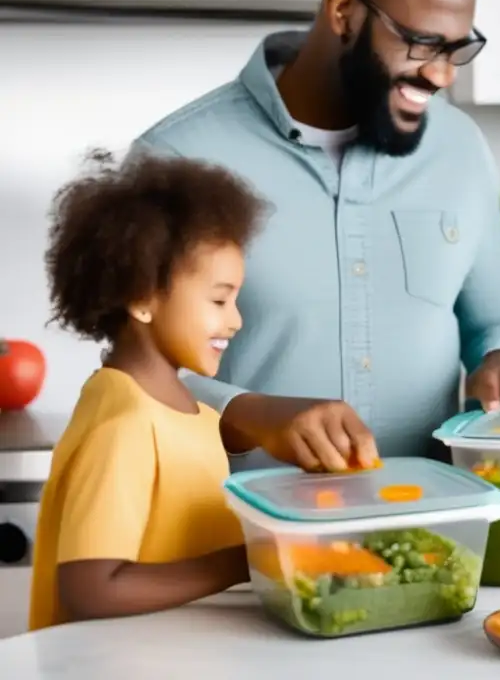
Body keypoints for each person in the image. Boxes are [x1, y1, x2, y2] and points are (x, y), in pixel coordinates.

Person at [128, 0, 500, 468]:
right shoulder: (175, 161)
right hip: (239, 541)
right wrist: (248, 413)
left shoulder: (461, 150)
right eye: (422, 43)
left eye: (456, 49)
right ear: (343, 10)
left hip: (433, 533)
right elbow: (135, 372)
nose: (444, 75)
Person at [29, 152, 356, 630]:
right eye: (219, 299)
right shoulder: (126, 425)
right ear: (142, 297)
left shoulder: (191, 415)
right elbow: (90, 589)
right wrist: (253, 558)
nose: (236, 319)